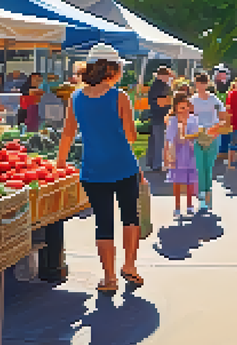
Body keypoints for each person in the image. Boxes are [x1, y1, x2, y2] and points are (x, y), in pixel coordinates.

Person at [56, 43, 141, 292]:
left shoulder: (76, 97)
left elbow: (68, 133)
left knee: (103, 222)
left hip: (93, 170)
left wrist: (60, 163)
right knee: (130, 217)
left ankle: (110, 278)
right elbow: (132, 136)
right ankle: (130, 266)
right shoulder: (120, 96)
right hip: (124, 166)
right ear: (111, 69)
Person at [190, 73, 226, 210]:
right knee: (199, 166)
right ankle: (201, 195)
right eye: (198, 83)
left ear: (207, 84)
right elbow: (189, 118)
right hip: (198, 135)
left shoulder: (214, 99)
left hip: (212, 135)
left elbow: (222, 118)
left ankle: (207, 195)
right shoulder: (192, 100)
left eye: (202, 83)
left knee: (208, 167)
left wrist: (216, 129)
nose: (200, 85)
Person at [165, 92, 200, 217]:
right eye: (181, 108)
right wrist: (182, 126)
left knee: (190, 179)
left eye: (186, 107)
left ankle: (190, 204)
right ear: (176, 108)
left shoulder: (193, 119)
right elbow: (171, 138)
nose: (185, 111)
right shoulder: (173, 120)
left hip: (191, 152)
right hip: (178, 153)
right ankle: (177, 206)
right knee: (177, 180)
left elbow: (196, 135)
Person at [146, 66, 173, 172]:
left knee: (154, 141)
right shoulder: (161, 86)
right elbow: (164, 102)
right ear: (162, 75)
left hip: (155, 116)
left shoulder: (154, 85)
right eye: (167, 76)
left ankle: (152, 162)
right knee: (159, 142)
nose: (168, 78)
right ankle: (157, 164)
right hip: (161, 116)